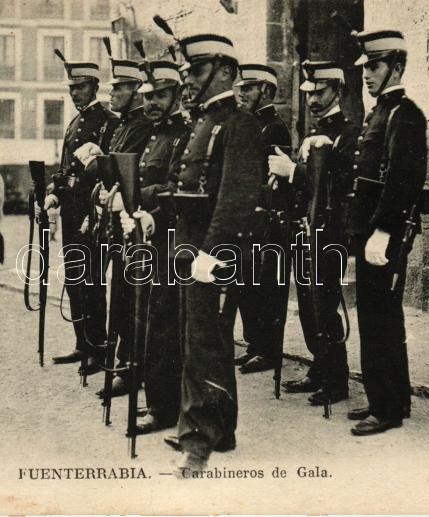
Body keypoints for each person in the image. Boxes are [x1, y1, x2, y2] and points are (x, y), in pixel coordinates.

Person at [160, 32, 263, 475]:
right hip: (190, 244)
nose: (188, 82)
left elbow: (236, 197)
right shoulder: (201, 123)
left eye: (197, 71)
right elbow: (184, 185)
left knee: (206, 343)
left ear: (223, 71)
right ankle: (219, 428)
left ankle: (198, 440)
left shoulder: (239, 124)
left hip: (212, 250)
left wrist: (212, 252)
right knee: (200, 338)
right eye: (187, 72)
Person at [345, 30, 427, 435]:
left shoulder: (404, 114)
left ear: (396, 66)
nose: (366, 75)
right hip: (370, 231)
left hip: (384, 234)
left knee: (381, 320)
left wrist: (384, 231)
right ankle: (392, 398)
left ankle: (387, 408)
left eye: (374, 67)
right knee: (377, 317)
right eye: (365, 68)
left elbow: (403, 179)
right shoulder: (380, 111)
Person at [268, 61, 358, 406]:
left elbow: (339, 186)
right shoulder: (313, 132)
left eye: (320, 93)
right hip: (305, 231)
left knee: (324, 306)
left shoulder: (348, 134)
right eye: (309, 94)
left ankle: (336, 381)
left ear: (338, 91)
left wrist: (294, 172)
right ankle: (319, 369)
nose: (313, 100)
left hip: (329, 232)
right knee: (307, 305)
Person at [119, 57, 188, 433]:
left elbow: (175, 188)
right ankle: (155, 399)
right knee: (145, 319)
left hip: (171, 241)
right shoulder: (155, 133)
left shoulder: (182, 134)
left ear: (176, 94)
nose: (152, 102)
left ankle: (163, 409)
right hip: (147, 238)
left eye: (161, 95)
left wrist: (142, 202)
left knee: (163, 327)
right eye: (149, 96)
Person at [79, 53, 153, 398]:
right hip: (113, 219)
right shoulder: (122, 125)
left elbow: (127, 177)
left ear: (137, 90)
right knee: (120, 297)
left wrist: (100, 166)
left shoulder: (141, 126)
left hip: (132, 222)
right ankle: (122, 361)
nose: (113, 93)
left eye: (120, 87)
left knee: (130, 299)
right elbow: (108, 174)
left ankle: (128, 364)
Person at [43, 53, 118, 373]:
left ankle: (98, 351)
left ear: (95, 87)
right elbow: (66, 168)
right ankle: (82, 343)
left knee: (92, 282)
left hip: (92, 215)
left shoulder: (106, 121)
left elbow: (105, 170)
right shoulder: (75, 122)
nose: (75, 94)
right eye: (72, 88)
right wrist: (53, 191)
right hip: (72, 214)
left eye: (81, 88)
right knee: (75, 280)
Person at [232, 63, 292, 375]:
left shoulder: (274, 128)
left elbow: (273, 178)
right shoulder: (249, 124)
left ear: (266, 91)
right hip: (247, 218)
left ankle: (270, 350)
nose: (241, 93)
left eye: (249, 88)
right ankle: (255, 344)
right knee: (246, 286)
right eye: (240, 88)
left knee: (267, 288)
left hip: (266, 220)